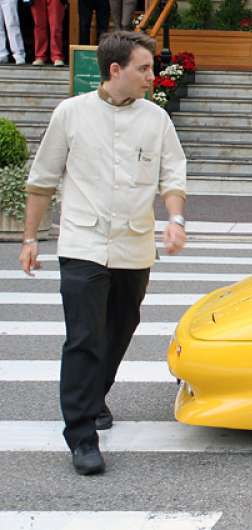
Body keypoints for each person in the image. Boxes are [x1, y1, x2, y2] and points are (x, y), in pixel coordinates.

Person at [19, 30, 187, 476]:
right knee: (83, 337)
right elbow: (43, 180)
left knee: (121, 326)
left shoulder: (156, 120)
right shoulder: (71, 114)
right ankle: (81, 436)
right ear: (116, 71)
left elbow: (172, 174)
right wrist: (31, 238)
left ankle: (95, 396)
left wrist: (176, 218)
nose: (152, 76)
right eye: (144, 68)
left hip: (133, 243)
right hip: (82, 243)